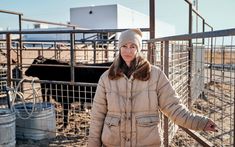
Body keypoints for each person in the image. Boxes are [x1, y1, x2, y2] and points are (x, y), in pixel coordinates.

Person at [88, 28, 217, 147]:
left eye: (133, 46)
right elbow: (97, 116)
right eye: (124, 46)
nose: (128, 51)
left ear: (138, 48)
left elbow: (173, 107)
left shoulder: (155, 75)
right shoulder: (106, 78)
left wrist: (200, 122)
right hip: (113, 143)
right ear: (119, 48)